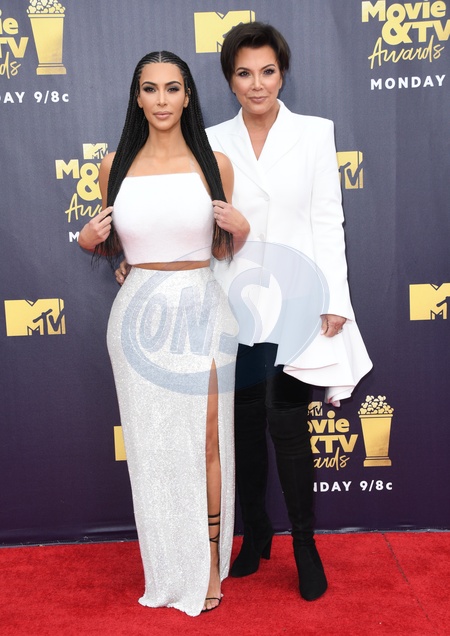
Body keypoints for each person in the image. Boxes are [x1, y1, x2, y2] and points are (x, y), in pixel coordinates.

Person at [116, 23, 372, 602]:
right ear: (229, 81)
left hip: (300, 300)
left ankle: (303, 543)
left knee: (287, 422)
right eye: (244, 73)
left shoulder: (314, 133)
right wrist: (137, 256)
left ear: (283, 75)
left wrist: (335, 298)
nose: (257, 84)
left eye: (267, 72)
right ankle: (255, 532)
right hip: (232, 303)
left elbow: (328, 220)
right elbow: (177, 217)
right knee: (243, 428)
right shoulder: (209, 142)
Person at [78, 51, 249, 616]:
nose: (161, 100)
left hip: (202, 306)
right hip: (138, 316)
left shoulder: (216, 164)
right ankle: (171, 568)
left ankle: (209, 564)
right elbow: (115, 244)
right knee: (154, 450)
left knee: (208, 439)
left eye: (172, 88)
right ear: (137, 97)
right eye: (150, 88)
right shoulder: (113, 166)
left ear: (188, 95)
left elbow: (223, 246)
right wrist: (87, 241)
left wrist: (243, 230)